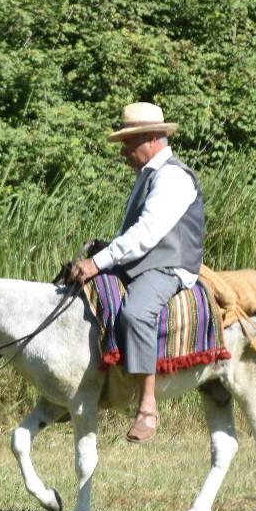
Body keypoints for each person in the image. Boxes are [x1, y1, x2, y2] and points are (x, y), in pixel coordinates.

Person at [69, 102, 205, 444]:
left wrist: (97, 263)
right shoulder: (148, 175)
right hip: (143, 262)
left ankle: (147, 407)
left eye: (128, 142)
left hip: (168, 267)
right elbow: (133, 236)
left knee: (136, 313)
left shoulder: (172, 177)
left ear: (151, 138)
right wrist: (104, 250)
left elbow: (145, 235)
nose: (123, 151)